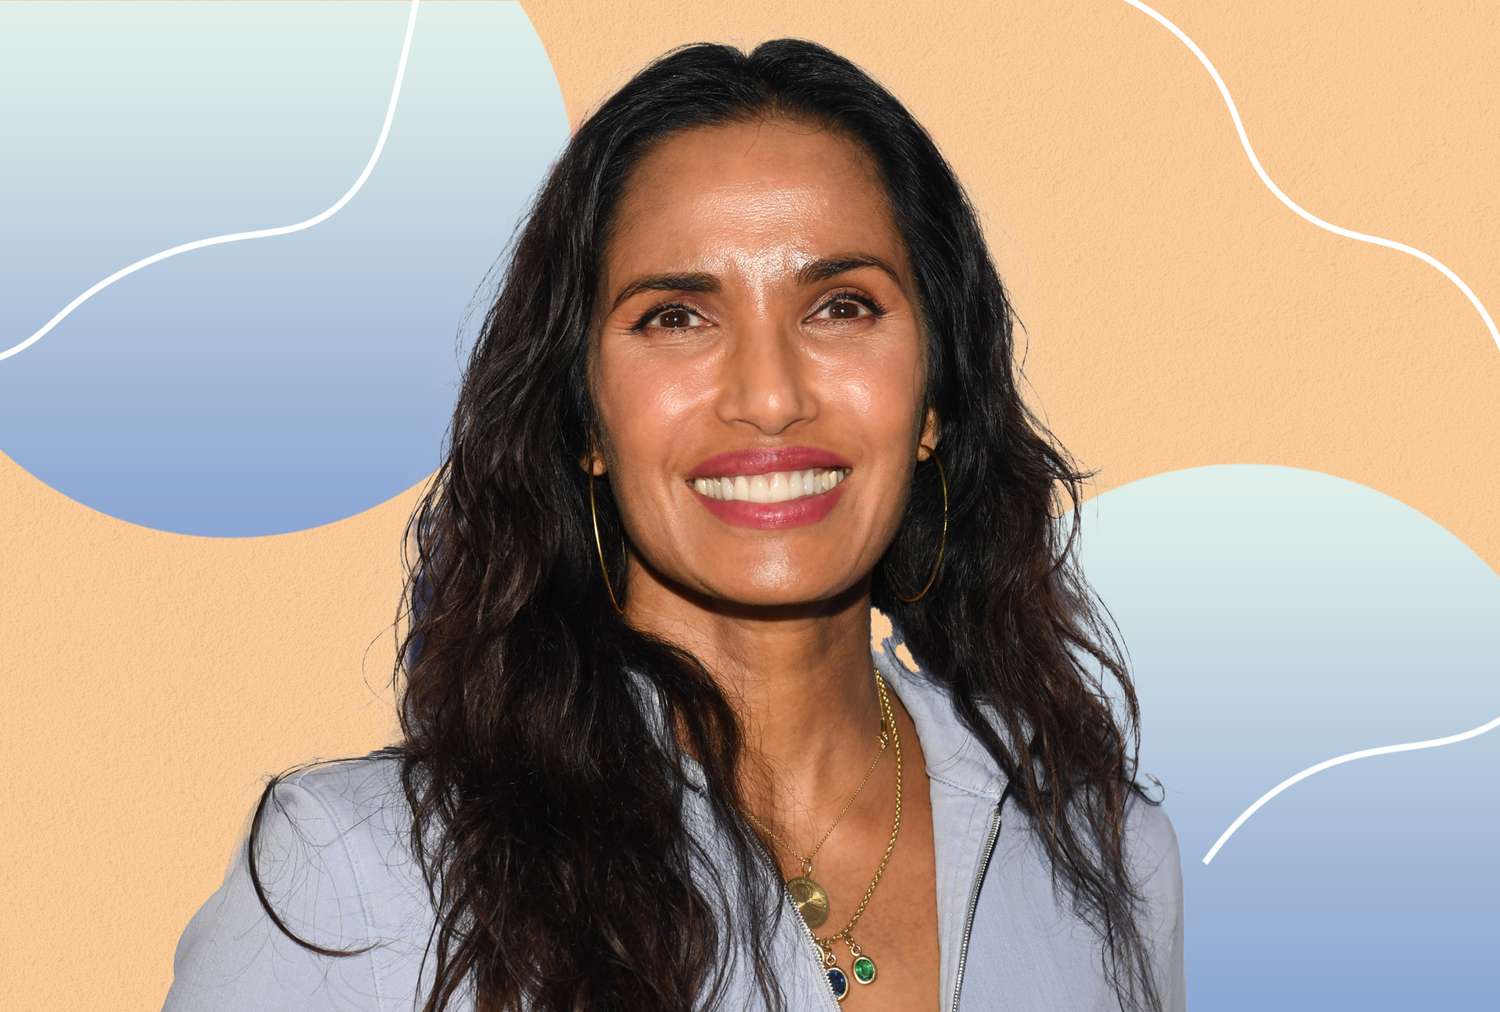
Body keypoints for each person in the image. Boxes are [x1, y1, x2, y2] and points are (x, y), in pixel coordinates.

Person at [163, 38, 1185, 1012]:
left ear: (933, 400)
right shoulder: (357, 881)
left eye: (841, 305)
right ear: (584, 419)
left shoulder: (1102, 854)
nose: (771, 396)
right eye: (676, 317)